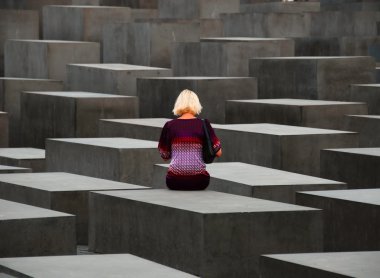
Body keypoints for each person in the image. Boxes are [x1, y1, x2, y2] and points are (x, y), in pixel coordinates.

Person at [158, 89, 222, 190]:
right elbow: (218, 152)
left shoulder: (169, 125)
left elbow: (165, 156)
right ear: (196, 104)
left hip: (174, 181)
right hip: (199, 181)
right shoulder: (203, 124)